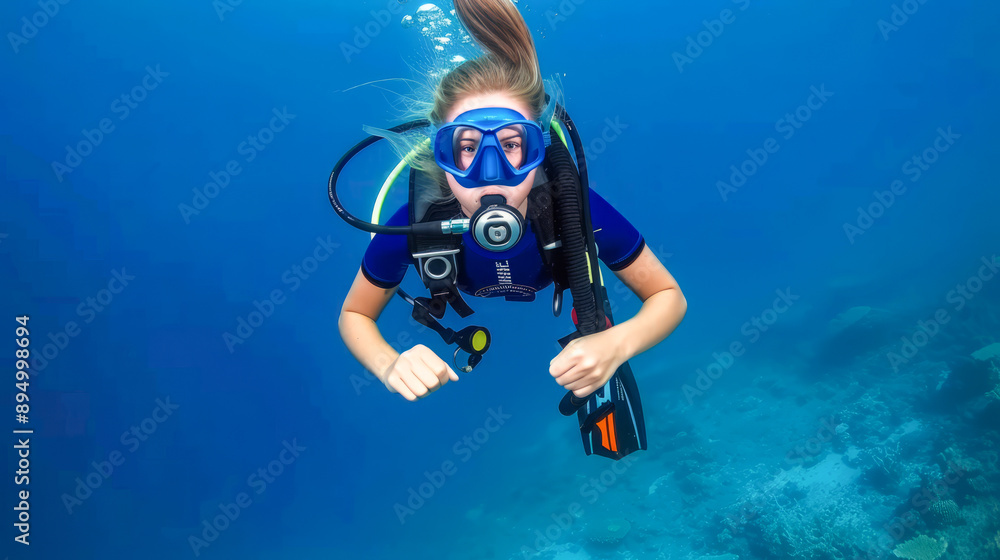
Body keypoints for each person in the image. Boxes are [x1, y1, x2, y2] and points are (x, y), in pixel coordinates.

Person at [333, 0, 686, 457]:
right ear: (443, 157)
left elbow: (668, 297)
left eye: (512, 145)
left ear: (537, 150)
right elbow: (355, 315)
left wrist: (618, 344)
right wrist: (389, 364)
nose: (491, 173)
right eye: (467, 149)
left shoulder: (572, 209)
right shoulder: (416, 224)